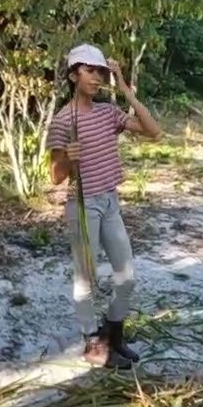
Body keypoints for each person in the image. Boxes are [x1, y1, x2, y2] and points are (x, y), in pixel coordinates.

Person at [48, 43, 161, 370]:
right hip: (83, 205)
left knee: (127, 276)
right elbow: (56, 177)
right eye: (90, 71)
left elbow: (153, 132)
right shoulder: (62, 121)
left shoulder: (107, 112)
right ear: (74, 75)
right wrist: (68, 160)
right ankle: (91, 341)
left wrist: (125, 89)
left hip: (109, 200)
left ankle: (114, 334)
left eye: (101, 72)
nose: (97, 77)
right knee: (86, 277)